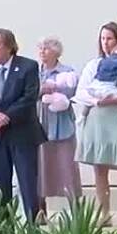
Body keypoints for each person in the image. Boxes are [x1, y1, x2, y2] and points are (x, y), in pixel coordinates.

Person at [0, 28, 46, 221]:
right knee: (0, 186)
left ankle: (33, 227)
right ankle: (4, 229)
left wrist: (5, 117)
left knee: (27, 183)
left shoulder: (28, 66)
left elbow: (29, 97)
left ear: (9, 47)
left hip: (22, 134)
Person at [74, 22, 117, 227]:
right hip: (97, 118)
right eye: (103, 38)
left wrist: (110, 97)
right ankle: (104, 214)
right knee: (99, 169)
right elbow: (82, 92)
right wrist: (97, 100)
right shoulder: (94, 65)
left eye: (110, 38)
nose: (105, 43)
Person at [35, 36, 82, 218]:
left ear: (56, 52)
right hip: (40, 124)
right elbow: (29, 91)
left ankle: (76, 210)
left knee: (68, 166)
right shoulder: (35, 71)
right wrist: (42, 90)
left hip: (63, 126)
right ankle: (40, 208)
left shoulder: (67, 71)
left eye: (46, 49)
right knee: (40, 167)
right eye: (40, 49)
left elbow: (72, 91)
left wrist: (55, 89)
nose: (42, 52)